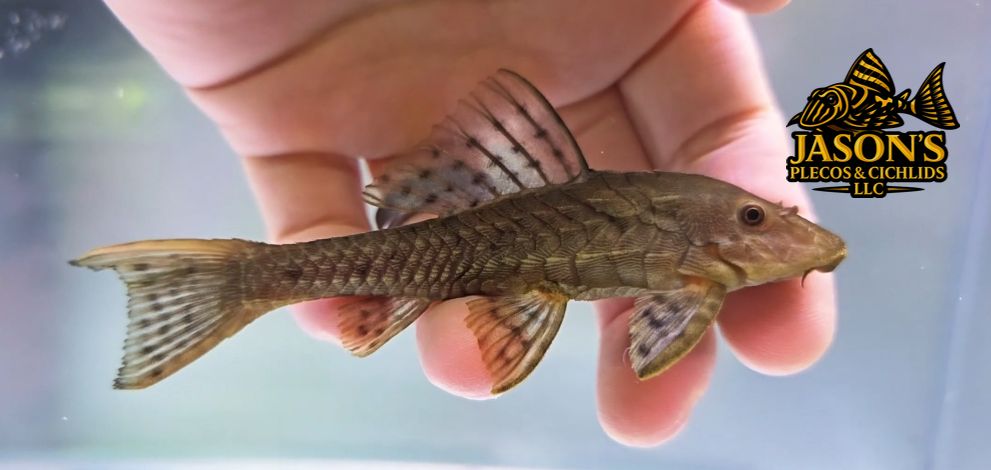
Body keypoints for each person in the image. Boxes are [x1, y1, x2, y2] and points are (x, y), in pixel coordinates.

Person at [104, 0, 836, 447]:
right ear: (696, 221)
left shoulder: (696, 277)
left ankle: (239, 282)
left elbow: (654, 344)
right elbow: (653, 346)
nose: (772, 227)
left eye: (760, 216)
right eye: (753, 216)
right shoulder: (692, 264)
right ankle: (239, 281)